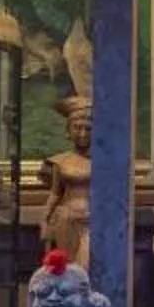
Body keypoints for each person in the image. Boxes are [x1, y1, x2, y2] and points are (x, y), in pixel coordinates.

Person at [38, 100, 93, 268]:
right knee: (68, 267)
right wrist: (45, 221)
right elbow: (55, 194)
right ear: (68, 131)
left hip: (93, 219)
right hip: (66, 219)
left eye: (88, 128)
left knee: (86, 264)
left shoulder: (103, 162)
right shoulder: (60, 162)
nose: (82, 133)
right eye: (77, 128)